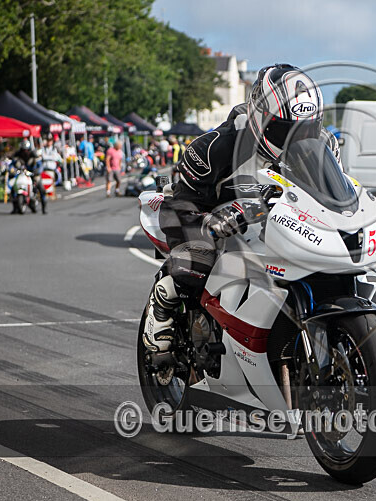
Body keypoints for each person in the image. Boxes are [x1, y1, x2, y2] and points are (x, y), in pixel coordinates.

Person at [143, 63, 342, 352]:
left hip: (282, 226)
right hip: (221, 225)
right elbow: (179, 207)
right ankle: (164, 301)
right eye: (284, 130)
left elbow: (336, 194)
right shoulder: (214, 147)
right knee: (197, 259)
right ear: (260, 117)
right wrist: (209, 222)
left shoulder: (324, 144)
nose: (295, 139)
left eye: (306, 129)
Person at [12, 139, 47, 214]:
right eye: (23, 150)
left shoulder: (33, 154)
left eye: (26, 150)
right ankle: (15, 207)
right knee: (13, 187)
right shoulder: (17, 154)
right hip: (21, 174)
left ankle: (44, 207)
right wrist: (11, 170)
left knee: (41, 188)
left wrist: (37, 171)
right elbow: (12, 163)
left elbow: (40, 164)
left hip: (32, 173)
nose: (25, 152)